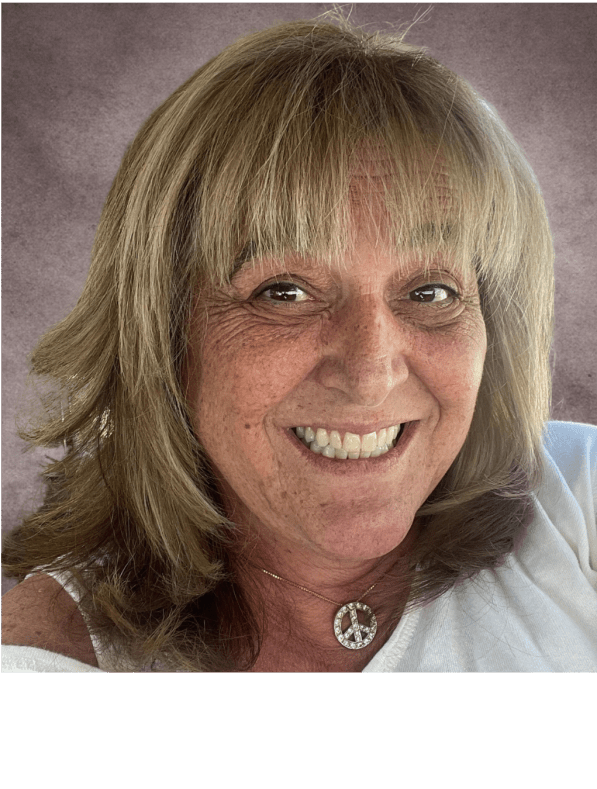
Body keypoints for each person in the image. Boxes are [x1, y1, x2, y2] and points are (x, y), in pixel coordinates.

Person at [2, 16, 596, 673]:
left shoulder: (580, 497)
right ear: (162, 334)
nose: (370, 372)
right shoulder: (48, 663)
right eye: (284, 292)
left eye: (430, 292)